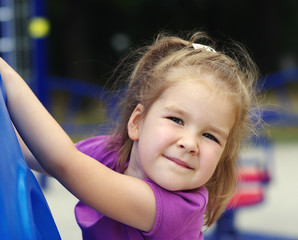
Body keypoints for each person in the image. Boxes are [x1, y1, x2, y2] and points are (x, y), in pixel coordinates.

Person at [0, 31, 259, 239]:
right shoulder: (112, 154)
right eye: (176, 119)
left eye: (210, 136)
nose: (190, 143)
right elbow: (37, 152)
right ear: (137, 122)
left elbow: (64, 162)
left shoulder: (176, 209)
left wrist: (8, 75)